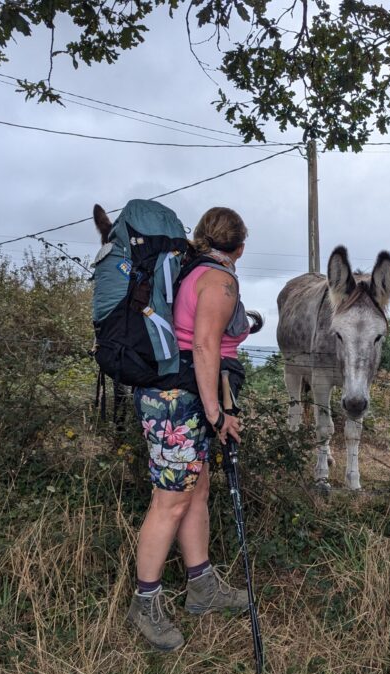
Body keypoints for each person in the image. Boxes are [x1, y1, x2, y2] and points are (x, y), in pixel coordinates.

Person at [126, 206, 253, 651]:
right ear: (239, 246)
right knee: (170, 502)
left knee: (195, 490)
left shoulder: (191, 271)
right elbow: (202, 345)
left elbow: (202, 335)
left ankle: (202, 587)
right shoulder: (220, 280)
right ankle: (146, 602)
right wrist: (217, 412)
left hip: (174, 394)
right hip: (181, 398)